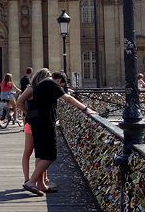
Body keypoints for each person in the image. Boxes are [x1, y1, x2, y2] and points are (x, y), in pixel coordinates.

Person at [17, 68, 96, 196]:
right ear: (57, 80)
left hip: (36, 123)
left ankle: (41, 184)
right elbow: (67, 98)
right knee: (50, 155)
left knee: (41, 154)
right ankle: (31, 182)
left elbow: (22, 102)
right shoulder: (50, 83)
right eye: (61, 84)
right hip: (46, 123)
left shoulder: (38, 86)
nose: (60, 86)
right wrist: (86, 109)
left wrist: (27, 113)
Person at [20, 68, 53, 191]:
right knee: (34, 153)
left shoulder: (38, 89)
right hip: (33, 124)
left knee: (37, 153)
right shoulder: (32, 88)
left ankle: (38, 181)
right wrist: (28, 113)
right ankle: (29, 180)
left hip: (33, 124)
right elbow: (19, 102)